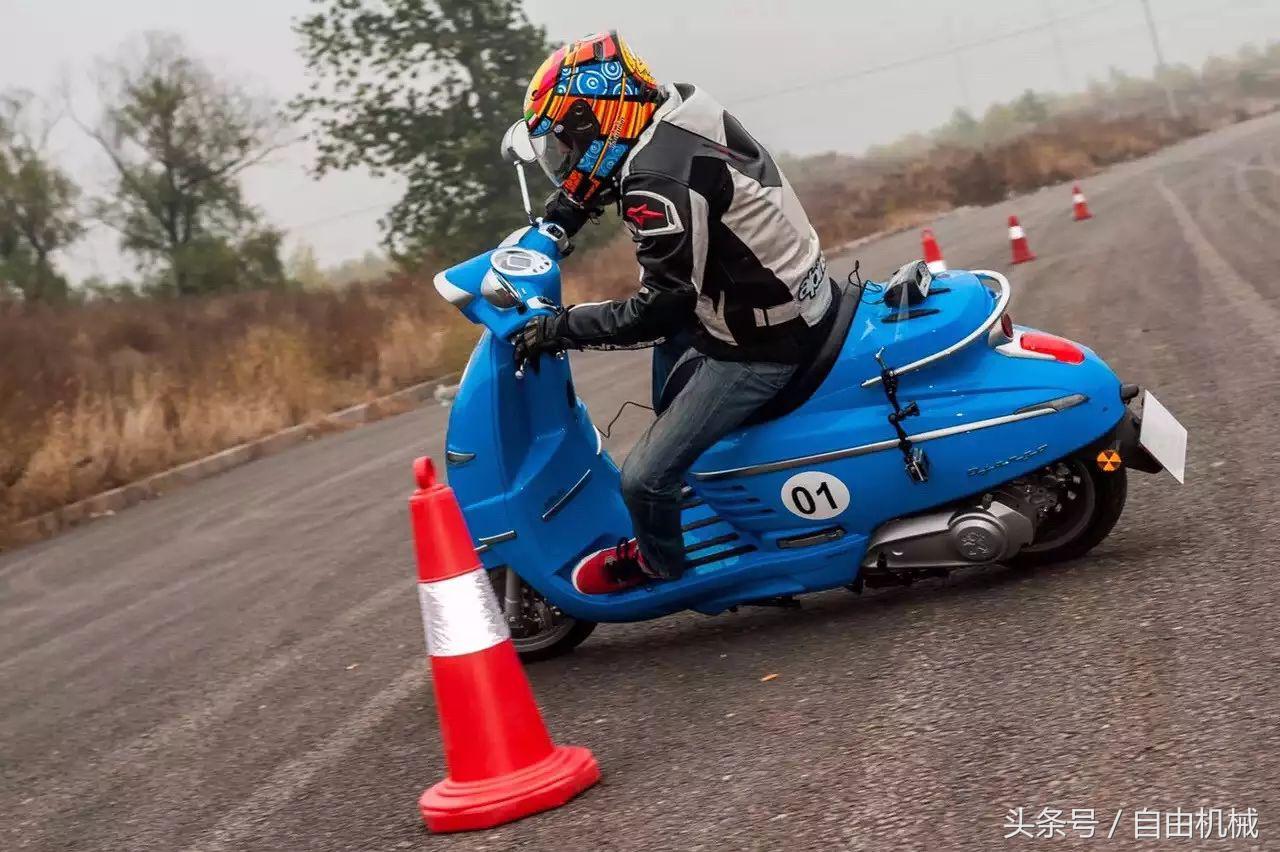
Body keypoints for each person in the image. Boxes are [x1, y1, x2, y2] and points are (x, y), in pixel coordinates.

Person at [513, 31, 836, 595]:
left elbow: (656, 312)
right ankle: (703, 482)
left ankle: (663, 570)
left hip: (762, 340)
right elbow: (622, 168)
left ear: (598, 120)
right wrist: (569, 208)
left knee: (642, 479)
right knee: (671, 391)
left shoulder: (655, 184)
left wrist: (560, 328)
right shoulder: (679, 109)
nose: (563, 160)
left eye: (565, 143)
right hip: (787, 294)